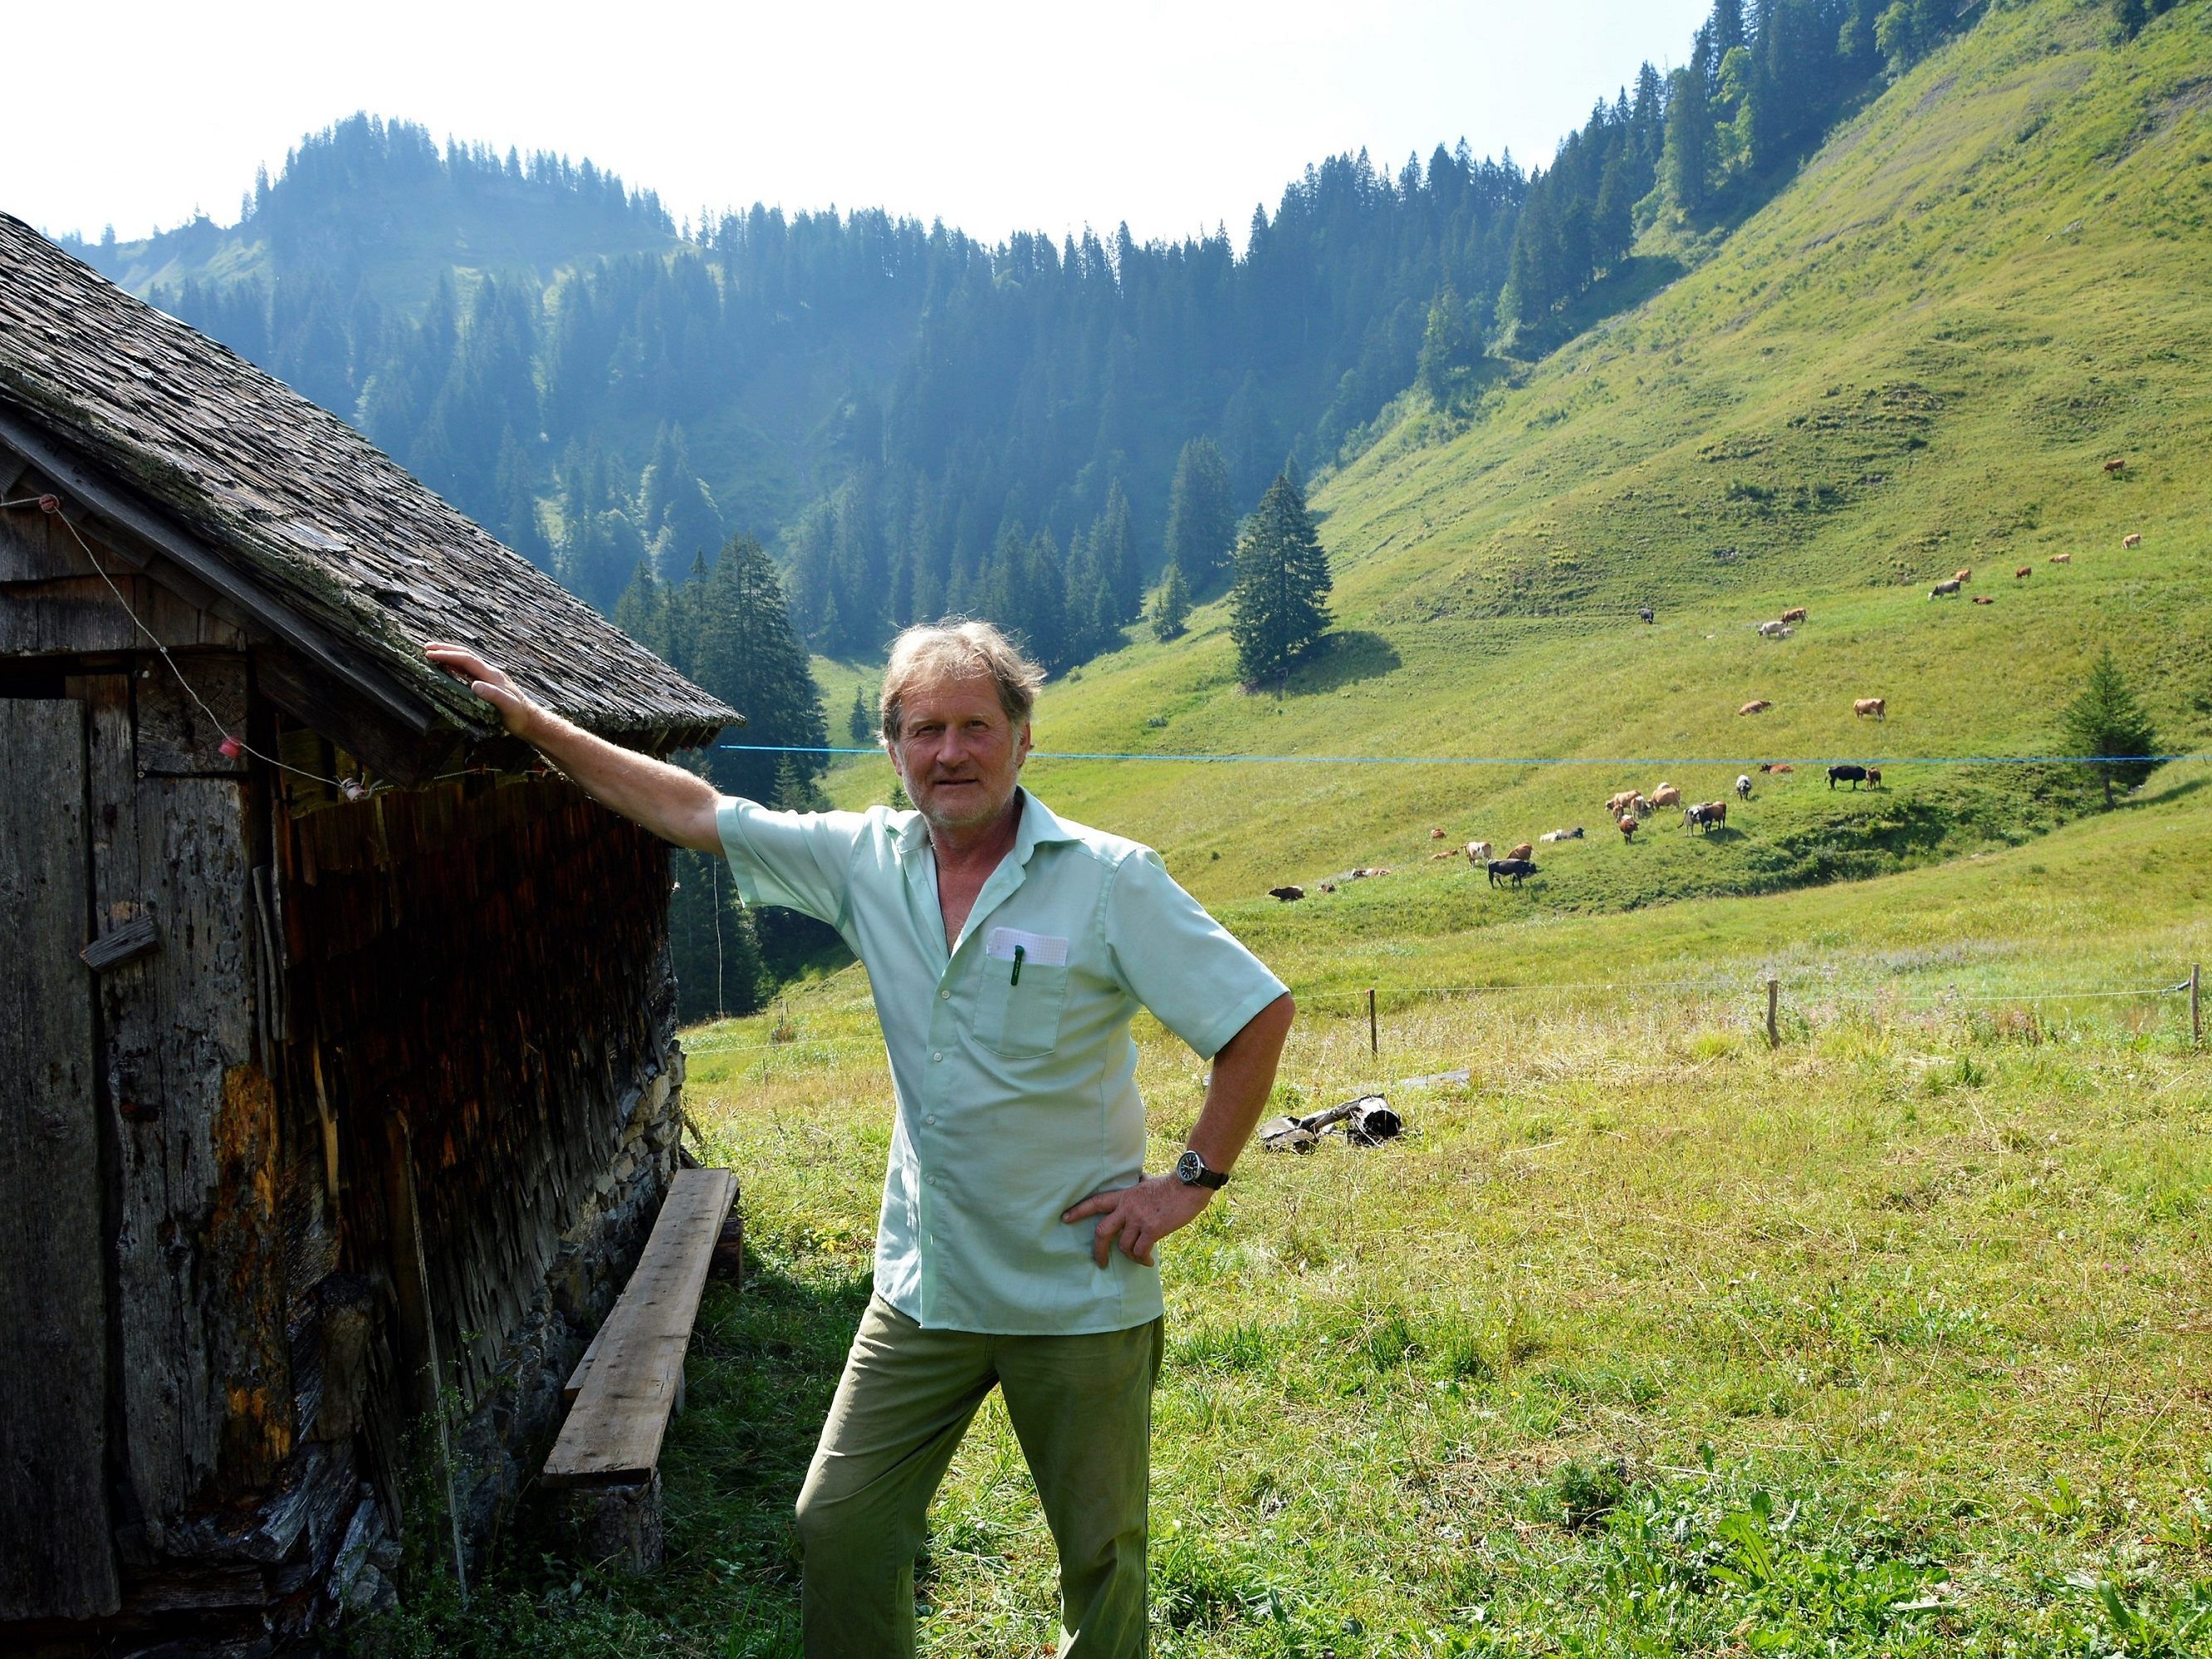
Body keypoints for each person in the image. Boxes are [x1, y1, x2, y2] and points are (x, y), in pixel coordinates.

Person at [424, 619, 1294, 1657]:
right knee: (839, 1525)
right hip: (926, 1288)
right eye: (925, 730)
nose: (951, 752)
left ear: (1024, 738)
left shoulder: (1109, 879)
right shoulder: (865, 862)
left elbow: (1255, 1015)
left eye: (976, 725)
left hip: (1077, 1286)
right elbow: (692, 809)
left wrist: (1188, 1182)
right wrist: (536, 724)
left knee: (1101, 1560)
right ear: (893, 749)